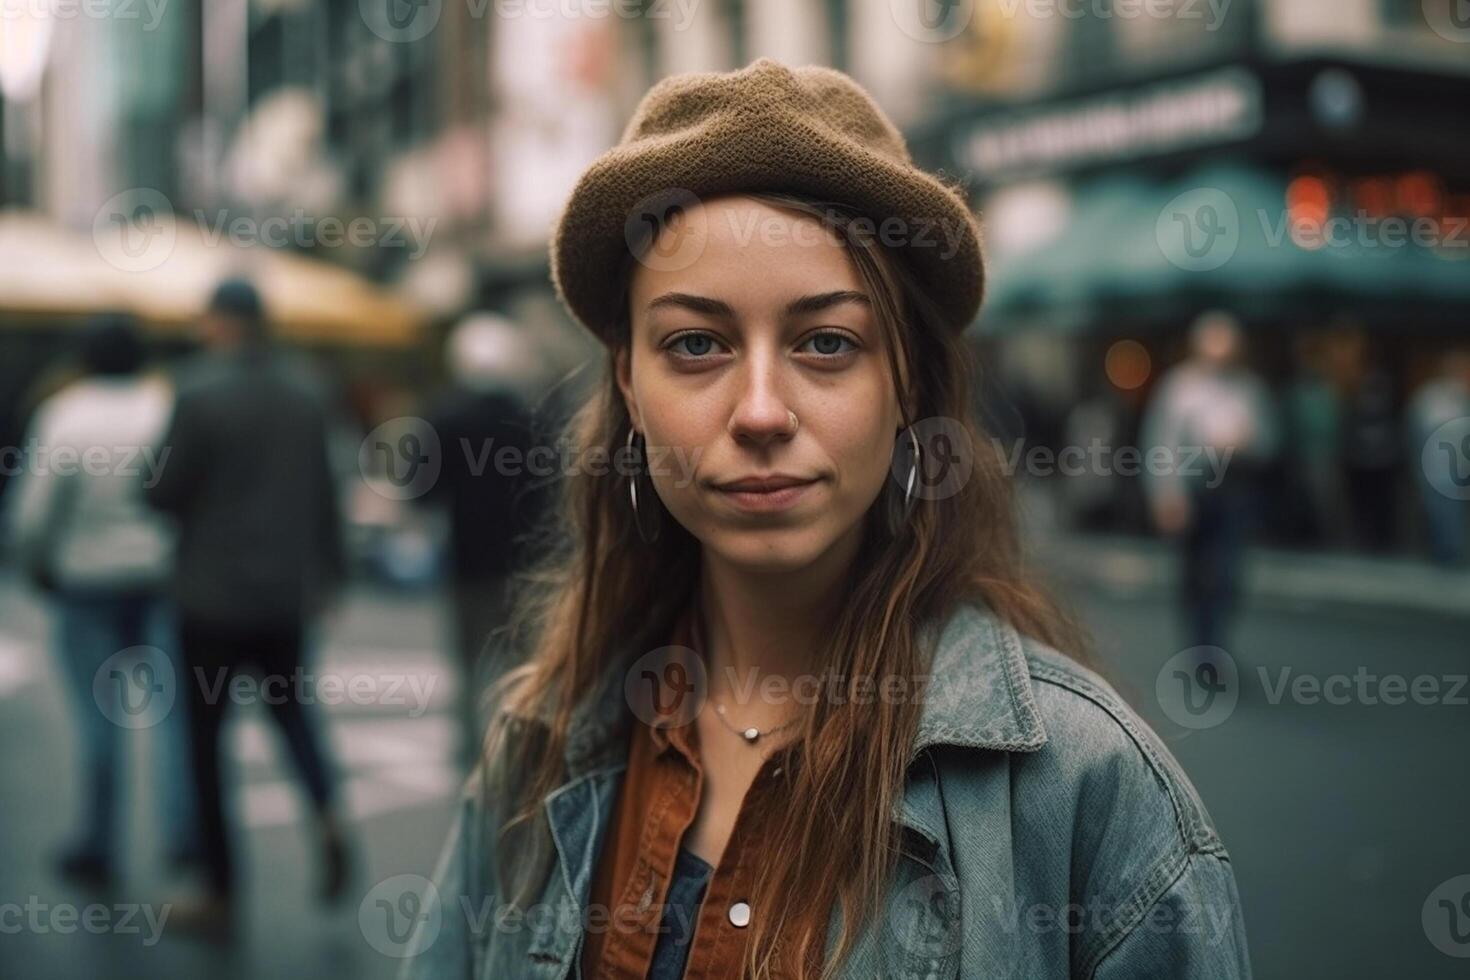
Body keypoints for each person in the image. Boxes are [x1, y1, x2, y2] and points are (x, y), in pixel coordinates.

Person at [399, 59, 1252, 979]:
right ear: (629, 392)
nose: (761, 410)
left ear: (908, 382)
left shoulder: (1092, 792)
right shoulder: (540, 748)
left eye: (826, 343)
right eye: (696, 344)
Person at [145, 278, 351, 931]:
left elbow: (161, 489)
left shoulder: (196, 391)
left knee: (207, 744)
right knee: (292, 714)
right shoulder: (306, 393)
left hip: (210, 595)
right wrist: (329, 576)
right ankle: (327, 812)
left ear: (223, 322)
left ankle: (221, 892)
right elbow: (327, 491)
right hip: (284, 595)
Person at [7, 312, 199, 886]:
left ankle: (99, 842)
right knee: (175, 717)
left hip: (86, 582)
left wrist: (38, 567)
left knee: (98, 721)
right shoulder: (167, 408)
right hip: (162, 579)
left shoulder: (65, 415)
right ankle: (183, 835)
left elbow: (34, 513)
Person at [420, 313, 559, 767]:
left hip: (467, 562)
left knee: (468, 664)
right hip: (524, 562)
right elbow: (551, 492)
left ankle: (468, 748)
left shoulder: (445, 418)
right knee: (524, 664)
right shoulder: (530, 420)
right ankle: (525, 745)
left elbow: (423, 490)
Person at [1141, 311, 1278, 653]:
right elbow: (1162, 445)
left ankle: (1216, 645)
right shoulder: (1179, 387)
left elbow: (1270, 440)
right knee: (1194, 575)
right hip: (1194, 489)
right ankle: (1198, 646)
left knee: (1227, 574)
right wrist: (1166, 495)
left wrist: (1246, 442)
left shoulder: (1248, 389)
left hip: (1235, 490)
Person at [1406, 350, 1470, 565]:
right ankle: (1444, 554)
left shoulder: (1462, 397)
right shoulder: (1430, 396)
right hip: (1434, 466)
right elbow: (1416, 433)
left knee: (1453, 513)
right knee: (1437, 511)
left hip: (1458, 469)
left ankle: (1453, 553)